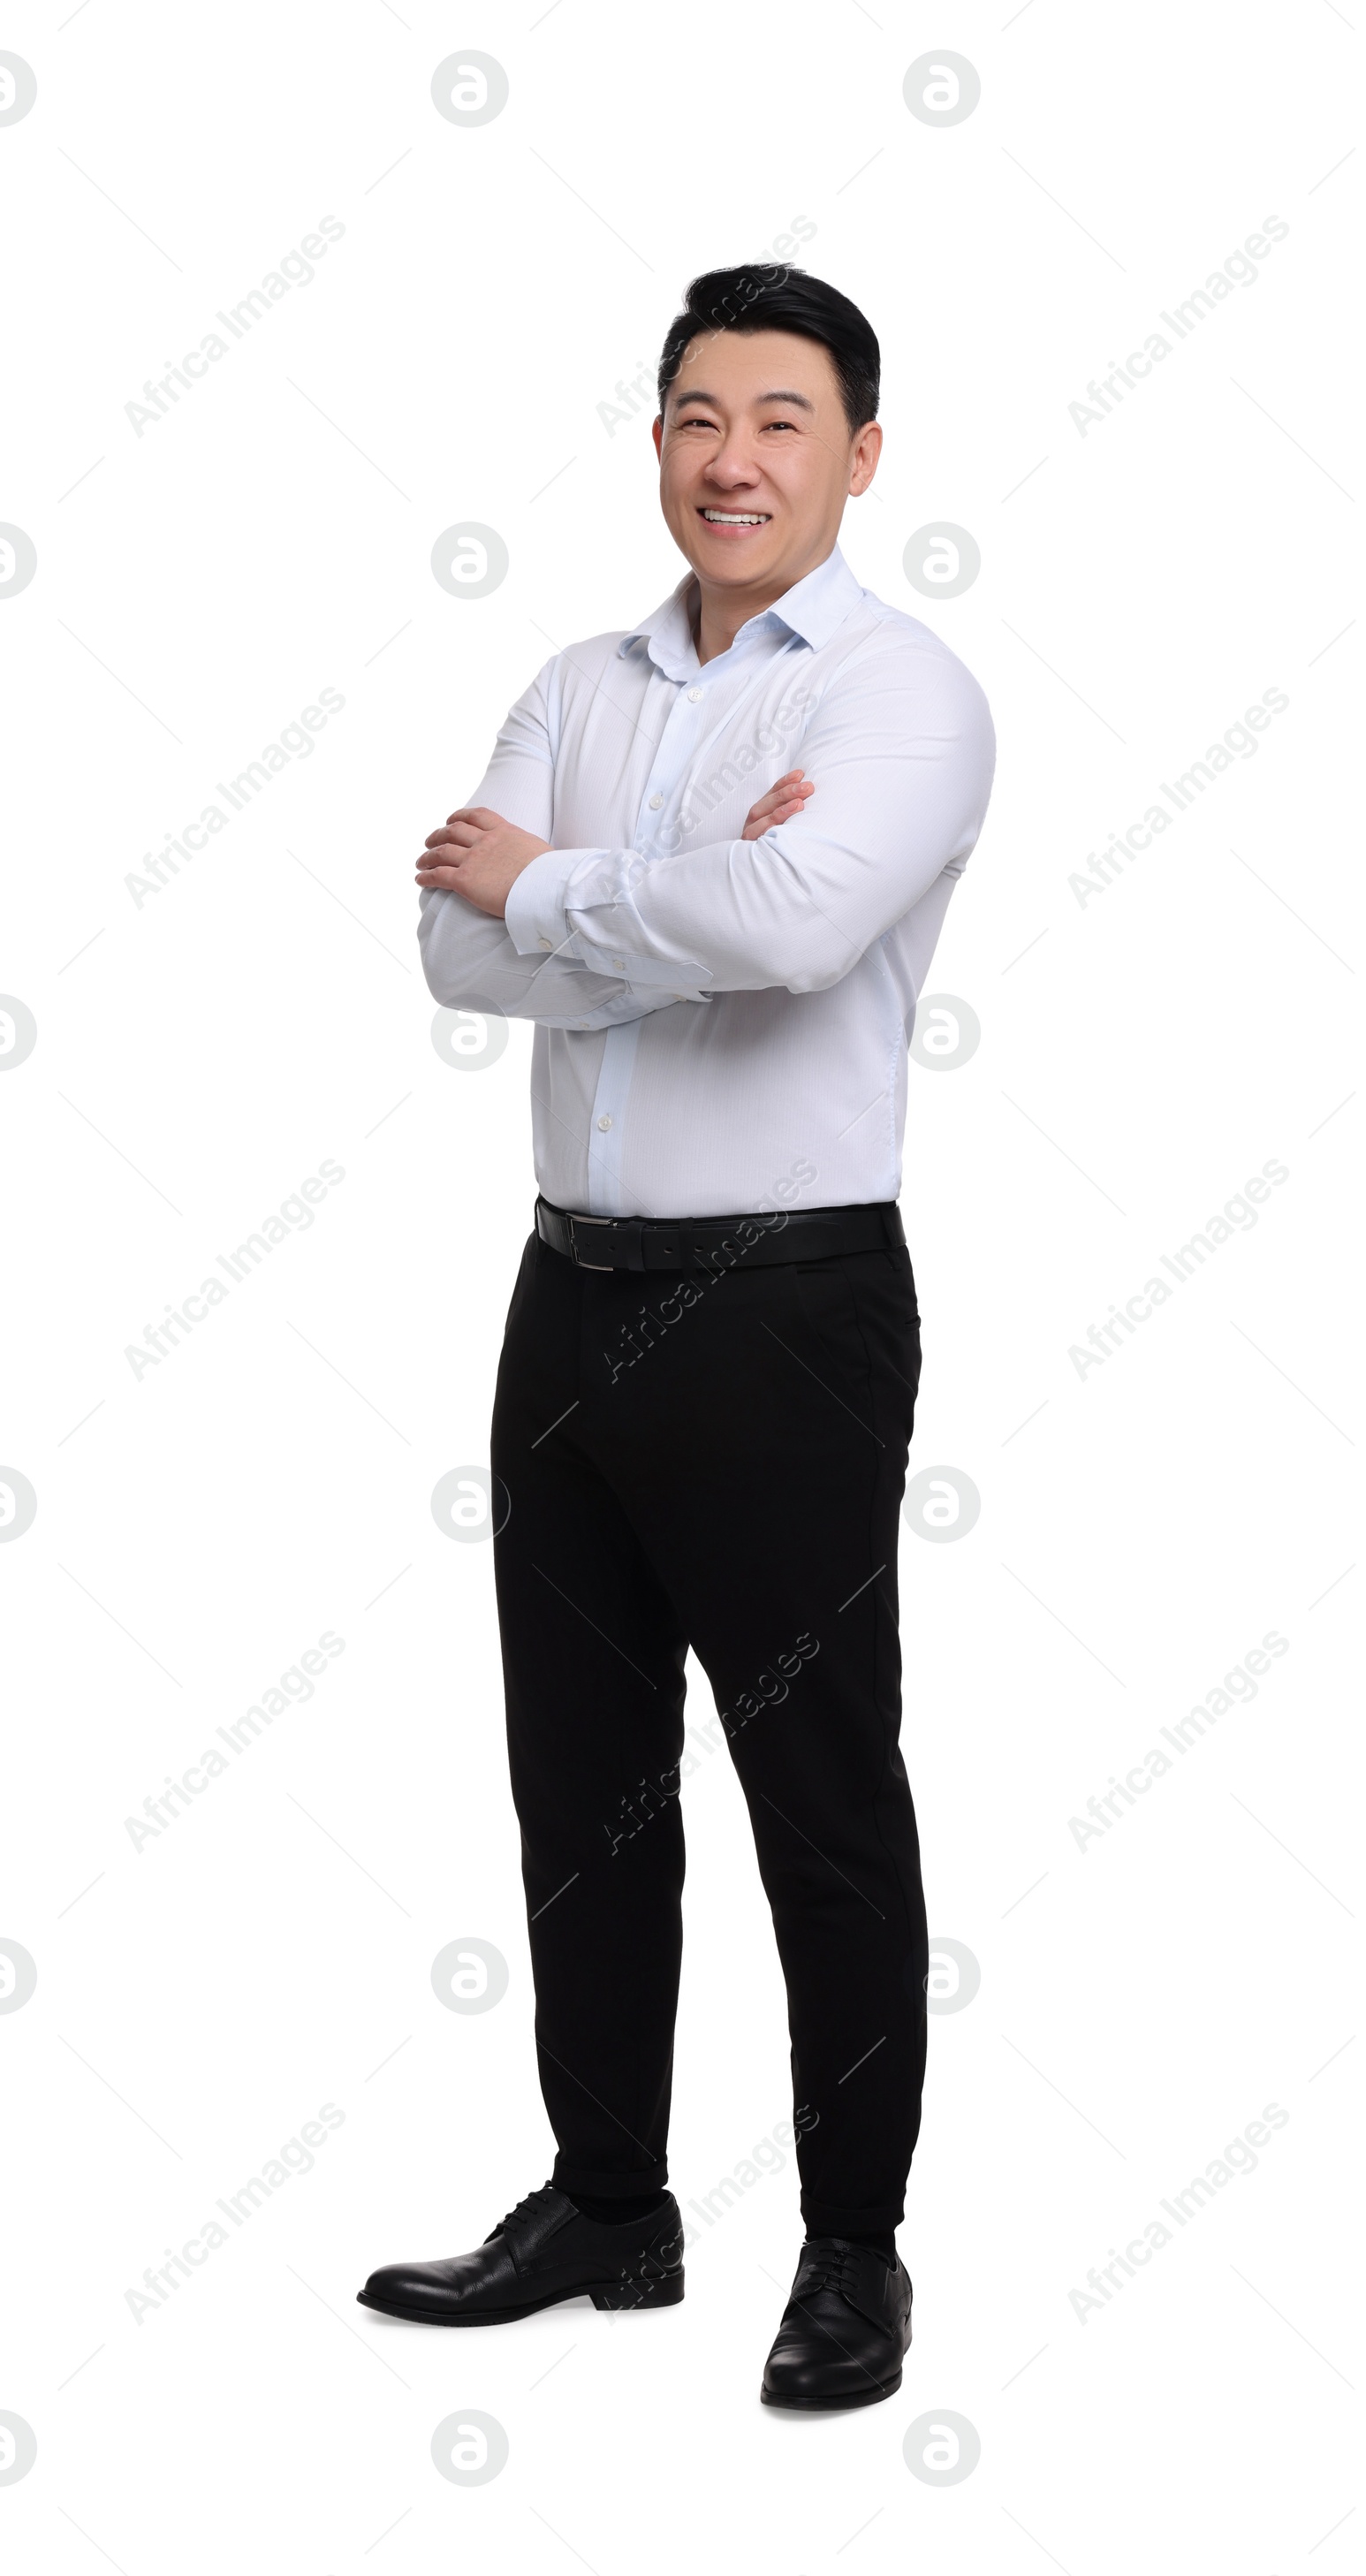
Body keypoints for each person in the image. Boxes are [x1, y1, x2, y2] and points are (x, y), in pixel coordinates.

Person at [357, 262, 996, 2409]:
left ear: (860, 455)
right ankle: (608, 2199)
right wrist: (654, 896)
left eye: (783, 421)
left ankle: (850, 2250)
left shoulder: (899, 697)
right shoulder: (578, 677)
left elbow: (803, 931)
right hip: (567, 1293)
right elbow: (456, 954)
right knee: (582, 1785)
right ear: (653, 442)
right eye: (696, 417)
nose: (734, 460)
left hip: (785, 1307)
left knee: (818, 1789)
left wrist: (559, 887)